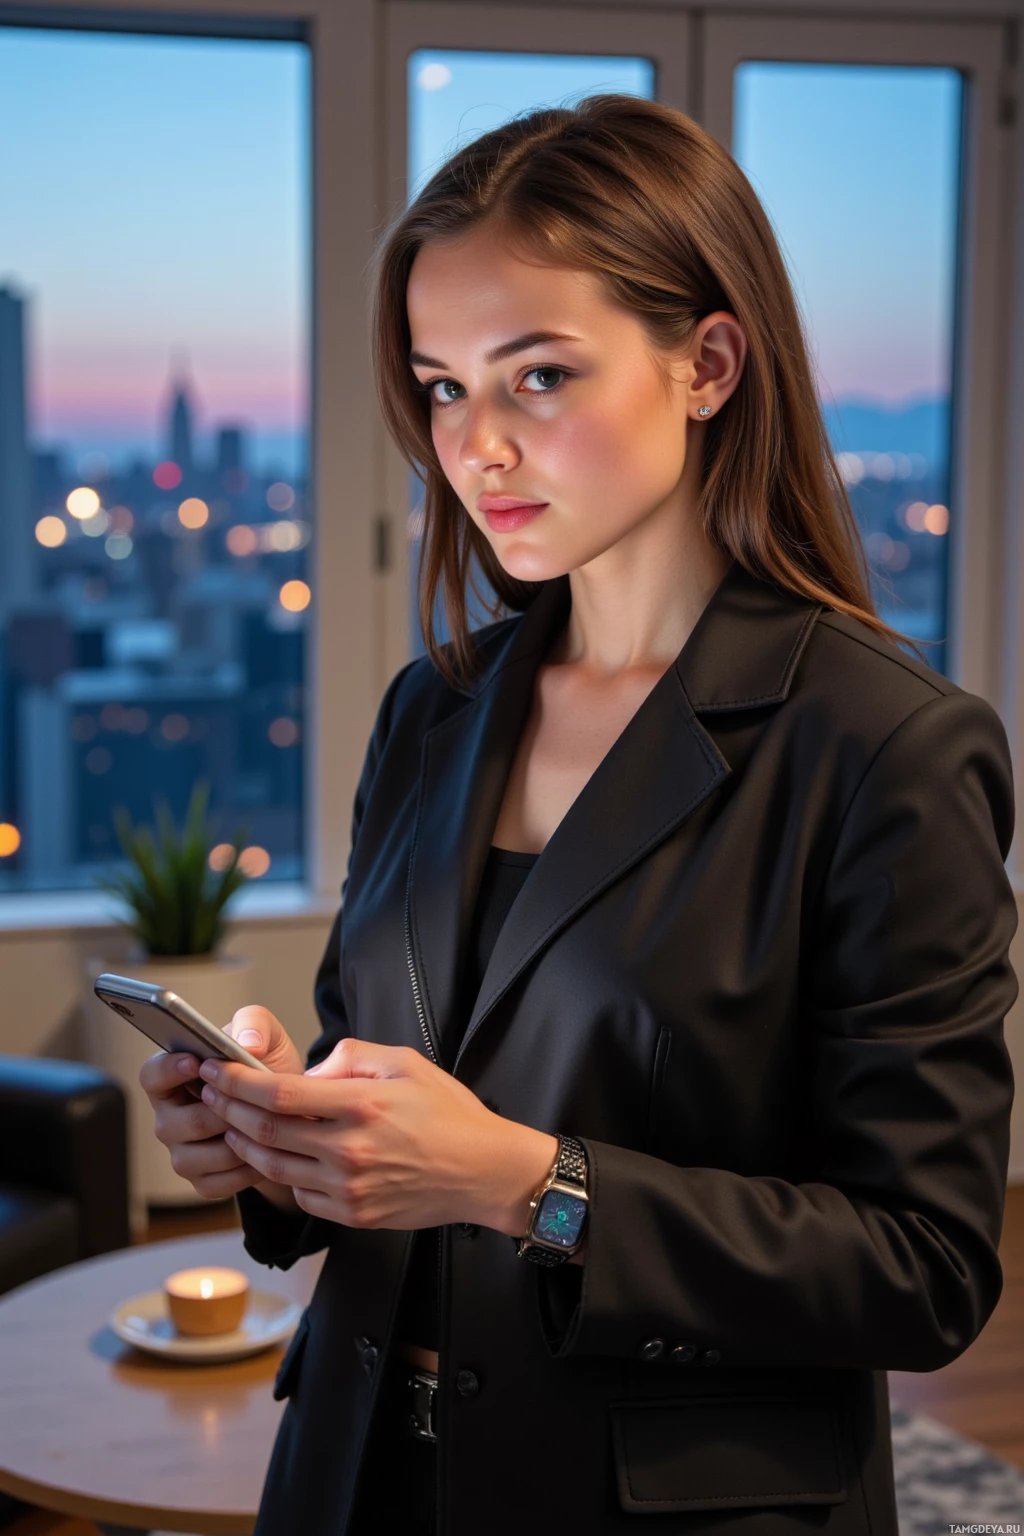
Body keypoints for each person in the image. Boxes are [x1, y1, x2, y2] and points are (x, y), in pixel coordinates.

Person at [139, 95, 1017, 1536]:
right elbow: (392, 1099)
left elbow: (921, 1266)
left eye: (536, 375)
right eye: (439, 385)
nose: (473, 445)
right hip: (355, 1479)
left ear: (709, 365)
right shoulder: (435, 709)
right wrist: (276, 1140)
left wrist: (531, 1185)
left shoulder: (885, 748)